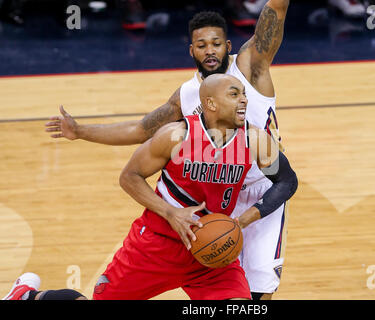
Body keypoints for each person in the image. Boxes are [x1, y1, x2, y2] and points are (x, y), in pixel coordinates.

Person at [46, 1, 290, 300]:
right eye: (202, 45)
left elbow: (275, 11)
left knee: (257, 293)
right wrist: (81, 131)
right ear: (192, 51)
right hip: (206, 202)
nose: (210, 51)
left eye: (216, 44)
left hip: (258, 190)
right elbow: (140, 131)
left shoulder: (251, 66)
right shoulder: (187, 95)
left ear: (228, 45)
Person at [7, 74, 298, 300]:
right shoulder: (176, 137)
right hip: (158, 243)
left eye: (245, 94)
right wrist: (171, 212)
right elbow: (129, 176)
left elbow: (287, 181)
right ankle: (27, 295)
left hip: (211, 253)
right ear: (210, 103)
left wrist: (243, 220)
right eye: (234, 94)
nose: (244, 100)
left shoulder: (255, 141)